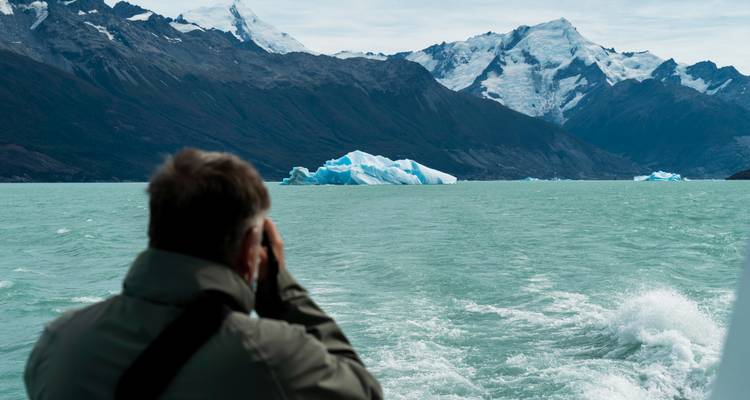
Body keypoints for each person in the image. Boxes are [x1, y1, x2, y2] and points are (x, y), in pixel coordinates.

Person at [24, 149, 383, 399]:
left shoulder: (58, 342)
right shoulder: (270, 354)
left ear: (157, 229)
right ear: (250, 248)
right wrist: (281, 292)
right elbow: (364, 393)